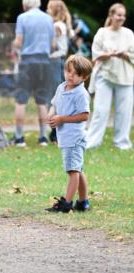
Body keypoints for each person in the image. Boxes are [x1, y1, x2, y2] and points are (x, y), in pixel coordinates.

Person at [46, 55, 92, 212]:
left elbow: (85, 115)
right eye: (68, 71)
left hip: (74, 138)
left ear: (84, 77)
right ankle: (83, 202)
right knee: (77, 169)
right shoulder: (62, 87)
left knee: (73, 171)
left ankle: (66, 204)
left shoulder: (81, 93)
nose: (70, 75)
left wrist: (62, 119)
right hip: (65, 137)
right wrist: (51, 113)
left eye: (76, 73)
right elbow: (54, 103)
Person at [85, 3, 134, 150]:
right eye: (118, 15)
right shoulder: (102, 32)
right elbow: (95, 54)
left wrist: (125, 55)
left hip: (125, 77)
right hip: (104, 76)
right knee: (101, 110)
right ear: (111, 16)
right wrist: (107, 54)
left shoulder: (129, 34)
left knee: (124, 112)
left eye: (123, 15)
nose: (121, 18)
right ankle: (92, 142)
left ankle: (121, 142)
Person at [12, 0, 56, 147]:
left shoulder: (22, 18)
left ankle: (19, 138)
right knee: (42, 101)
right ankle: (43, 137)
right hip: (44, 63)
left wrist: (14, 47)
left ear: (25, 3)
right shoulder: (48, 19)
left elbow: (18, 41)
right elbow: (53, 45)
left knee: (21, 100)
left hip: (27, 62)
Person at [47, 0, 73, 86]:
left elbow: (53, 45)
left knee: (56, 84)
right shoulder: (63, 24)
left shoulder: (57, 26)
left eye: (49, 8)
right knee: (61, 82)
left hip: (56, 57)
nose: (47, 11)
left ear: (55, 11)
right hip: (61, 57)